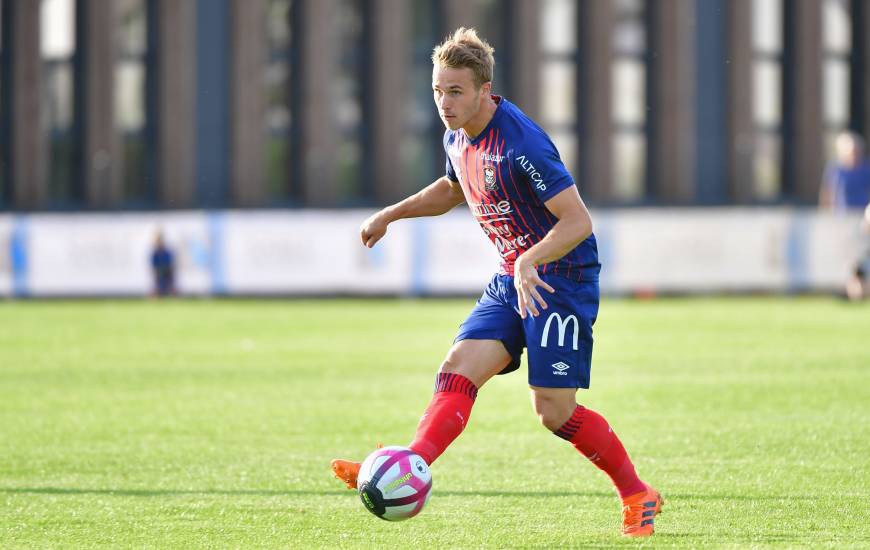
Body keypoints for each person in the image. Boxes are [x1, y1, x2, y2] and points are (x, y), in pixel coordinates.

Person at [331, 28, 662, 537]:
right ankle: (405, 466)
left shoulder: (520, 142)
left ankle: (637, 492)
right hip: (515, 272)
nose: (445, 102)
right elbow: (451, 189)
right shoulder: (456, 133)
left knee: (553, 412)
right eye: (438, 90)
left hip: (561, 277)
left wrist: (532, 258)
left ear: (485, 89)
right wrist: (391, 214)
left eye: (456, 91)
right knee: (458, 366)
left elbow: (577, 221)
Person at [819, 132, 870, 300]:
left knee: (861, 255)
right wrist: (826, 215)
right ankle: (852, 289)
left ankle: (858, 289)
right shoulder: (836, 170)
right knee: (849, 256)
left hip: (862, 218)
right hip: (842, 219)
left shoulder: (866, 169)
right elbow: (828, 193)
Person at [819, 132, 870, 213]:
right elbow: (828, 191)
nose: (855, 155)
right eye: (852, 152)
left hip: (862, 212)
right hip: (842, 214)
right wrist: (826, 211)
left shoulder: (867, 168)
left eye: (857, 151)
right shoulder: (835, 169)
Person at [150, 230, 176, 297]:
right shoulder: (156, 252)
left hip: (167, 269)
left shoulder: (165, 250)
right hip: (159, 270)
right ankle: (157, 296)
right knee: (158, 285)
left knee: (169, 284)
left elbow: (170, 260)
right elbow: (154, 262)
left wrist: (170, 267)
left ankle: (171, 295)